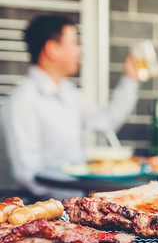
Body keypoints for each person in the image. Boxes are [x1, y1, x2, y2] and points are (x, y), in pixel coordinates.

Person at [1, 14, 140, 200]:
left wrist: (130, 79)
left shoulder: (69, 93)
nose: (79, 51)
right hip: (44, 211)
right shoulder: (22, 101)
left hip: (76, 202)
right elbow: (28, 175)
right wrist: (74, 202)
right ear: (52, 49)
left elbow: (106, 121)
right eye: (74, 43)